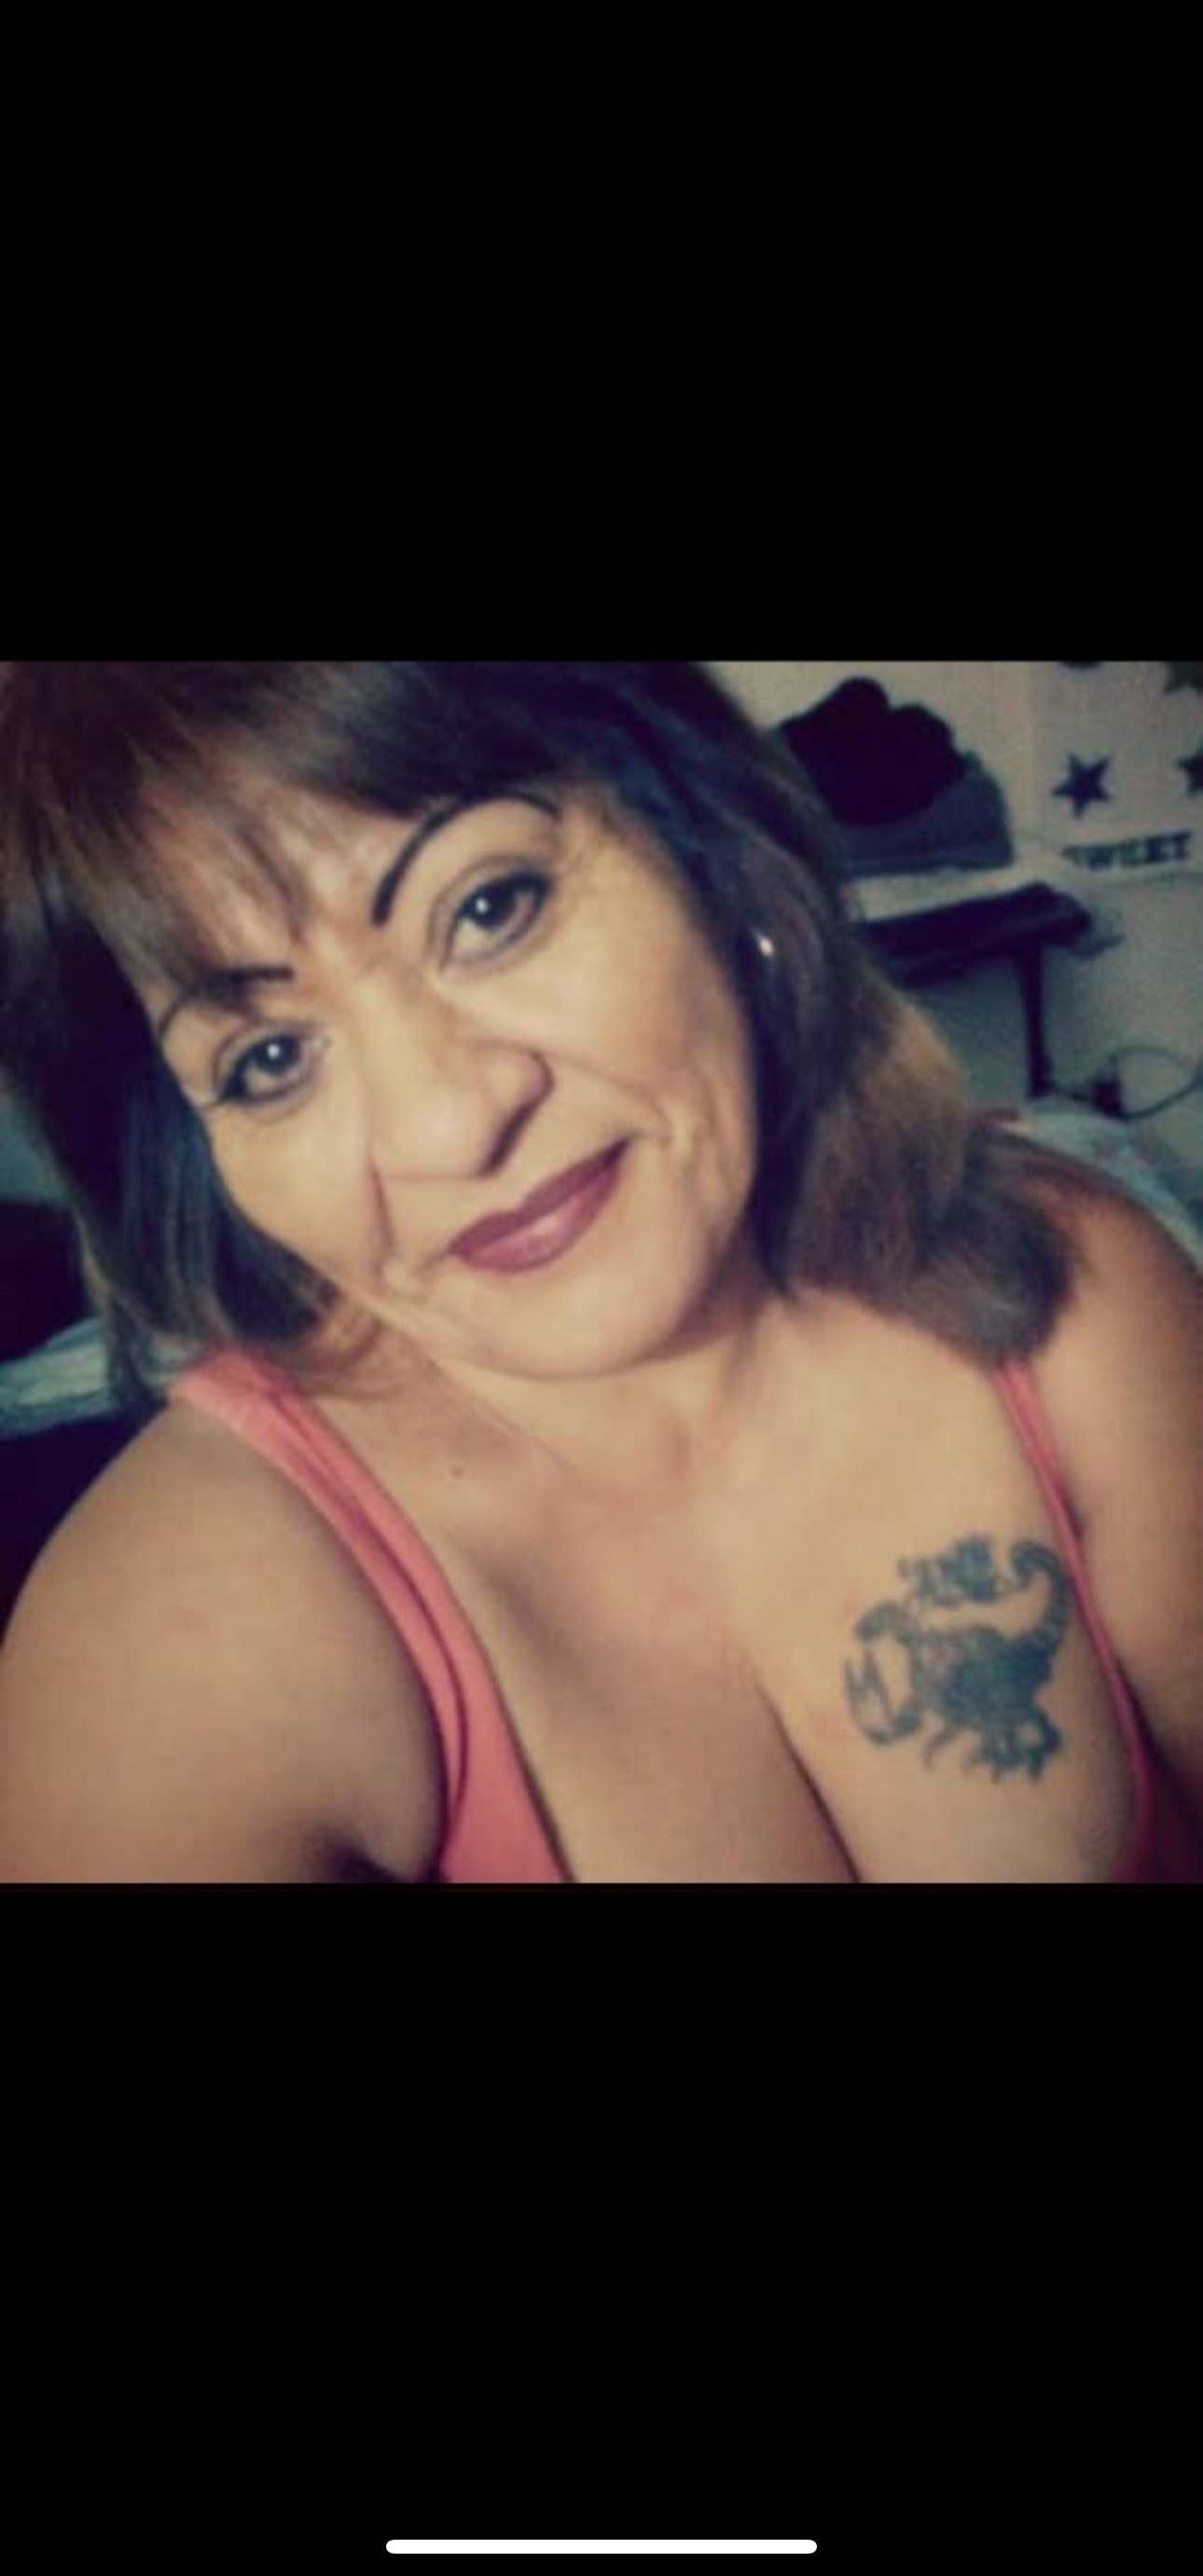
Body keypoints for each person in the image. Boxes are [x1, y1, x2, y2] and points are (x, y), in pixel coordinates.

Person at [0, 659, 1198, 1883]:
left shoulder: (1078, 1291)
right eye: (268, 1059)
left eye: (489, 908)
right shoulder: (162, 1655)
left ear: (703, 847)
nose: (444, 1127)